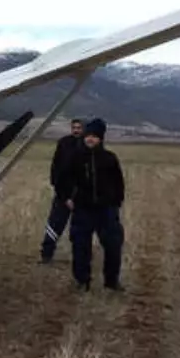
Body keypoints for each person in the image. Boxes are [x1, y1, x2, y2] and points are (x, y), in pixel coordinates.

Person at [58, 117, 125, 291]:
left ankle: (111, 282)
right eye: (88, 135)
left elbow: (119, 183)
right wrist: (67, 198)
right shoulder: (75, 158)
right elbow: (63, 179)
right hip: (82, 208)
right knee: (80, 246)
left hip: (106, 210)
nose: (90, 139)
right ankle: (82, 280)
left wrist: (116, 202)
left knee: (113, 245)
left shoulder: (110, 158)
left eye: (94, 136)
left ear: (101, 138)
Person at [39, 118, 85, 263]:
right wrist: (63, 195)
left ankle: (81, 258)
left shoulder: (88, 145)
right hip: (62, 193)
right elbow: (56, 167)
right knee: (54, 224)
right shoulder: (64, 143)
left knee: (81, 229)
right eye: (74, 127)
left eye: (79, 128)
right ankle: (47, 254)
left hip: (82, 195)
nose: (76, 130)